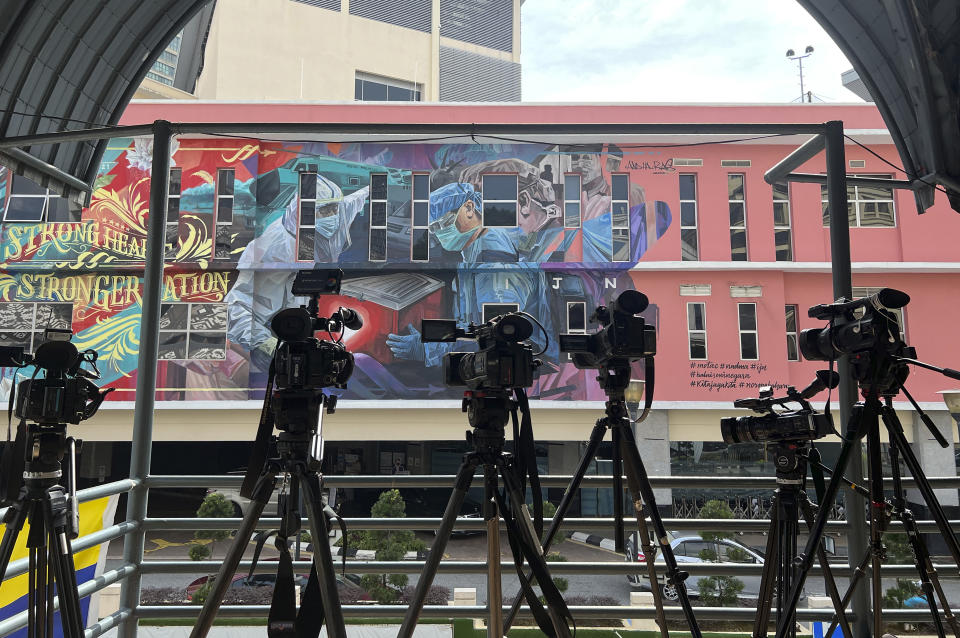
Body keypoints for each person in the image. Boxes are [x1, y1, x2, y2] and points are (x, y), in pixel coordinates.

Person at [385, 182, 556, 367]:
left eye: (443, 223)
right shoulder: (477, 254)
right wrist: (432, 336)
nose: (439, 233)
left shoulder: (495, 267)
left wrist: (427, 349)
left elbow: (497, 338)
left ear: (468, 209)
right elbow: (471, 326)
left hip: (525, 370)